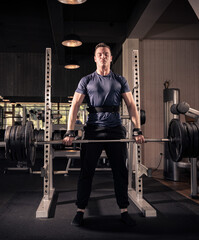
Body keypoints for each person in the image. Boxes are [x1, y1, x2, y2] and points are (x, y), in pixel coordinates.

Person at [62, 43, 145, 227]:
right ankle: (80, 210)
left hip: (115, 129)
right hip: (93, 129)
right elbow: (74, 105)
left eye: (106, 54)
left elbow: (131, 105)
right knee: (86, 172)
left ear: (110, 58)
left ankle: (124, 210)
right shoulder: (86, 80)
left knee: (120, 172)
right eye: (99, 54)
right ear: (94, 58)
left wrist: (137, 129)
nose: (103, 57)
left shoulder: (120, 80)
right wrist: (70, 130)